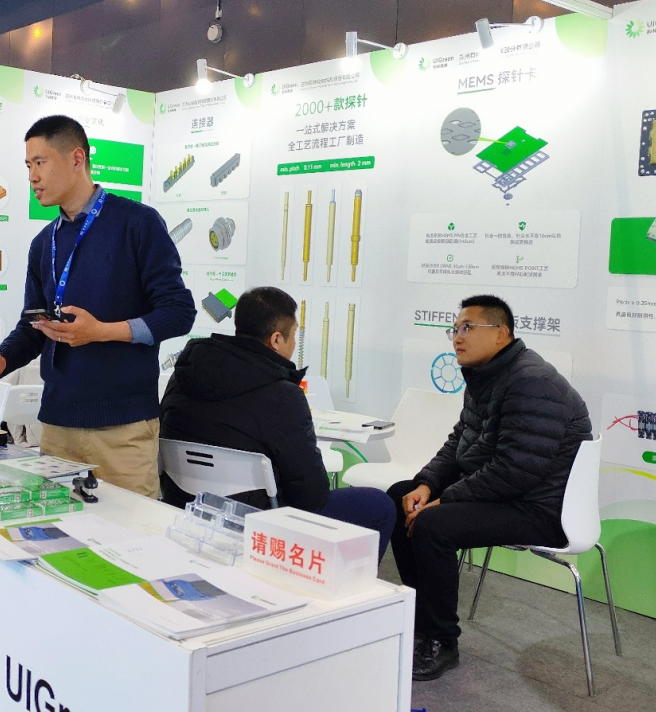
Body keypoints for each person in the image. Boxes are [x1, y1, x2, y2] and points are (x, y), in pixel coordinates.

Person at [0, 115, 195, 497]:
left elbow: (179, 312)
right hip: (58, 427)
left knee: (131, 530)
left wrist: (101, 332)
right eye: (28, 165)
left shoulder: (137, 223)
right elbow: (34, 326)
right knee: (60, 531)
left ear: (77, 159)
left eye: (40, 162)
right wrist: (2, 360)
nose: (32, 176)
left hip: (123, 430)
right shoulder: (44, 243)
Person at [388, 294, 591, 682]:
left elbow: (516, 470)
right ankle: (423, 619)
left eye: (468, 328)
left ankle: (441, 641)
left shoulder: (532, 382)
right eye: (454, 329)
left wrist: (446, 499)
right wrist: (428, 484)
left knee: (433, 524)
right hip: (507, 494)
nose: (457, 337)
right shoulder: (485, 376)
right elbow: (460, 441)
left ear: (501, 333)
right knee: (402, 497)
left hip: (540, 508)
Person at [159, 286, 396, 558]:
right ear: (276, 339)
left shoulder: (182, 377)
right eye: (293, 334)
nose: (294, 344)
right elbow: (311, 497)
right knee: (379, 505)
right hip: (261, 522)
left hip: (187, 511)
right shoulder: (282, 395)